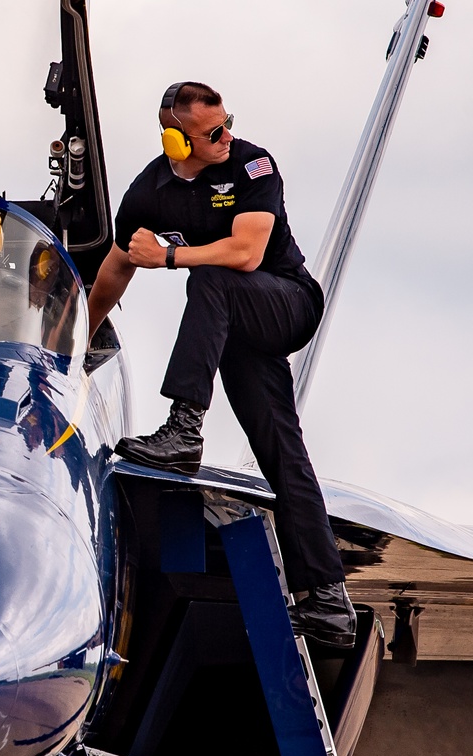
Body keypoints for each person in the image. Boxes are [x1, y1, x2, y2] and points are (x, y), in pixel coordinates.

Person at [87, 81, 355, 649]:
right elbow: (116, 266)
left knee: (211, 275)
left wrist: (169, 256)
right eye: (212, 132)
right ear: (176, 142)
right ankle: (328, 601)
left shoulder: (252, 166)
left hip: (286, 301)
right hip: (233, 330)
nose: (226, 135)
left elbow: (247, 254)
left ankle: (185, 429)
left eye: (227, 121)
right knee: (280, 448)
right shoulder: (150, 192)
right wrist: (71, 345)